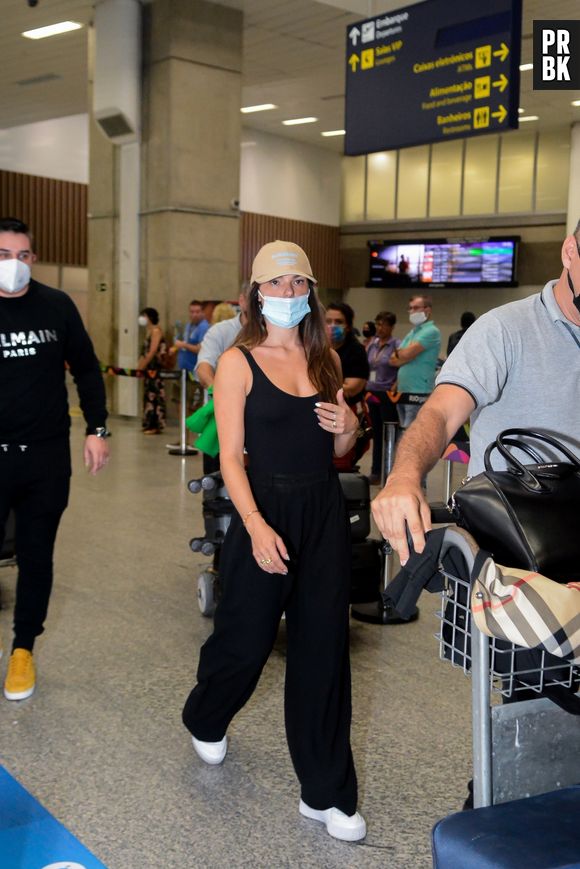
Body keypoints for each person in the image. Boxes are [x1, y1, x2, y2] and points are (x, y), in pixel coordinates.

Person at [182, 240, 366, 842]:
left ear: (309, 291)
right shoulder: (238, 361)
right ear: (256, 293)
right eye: (275, 285)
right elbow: (230, 458)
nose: (288, 295)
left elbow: (339, 450)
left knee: (322, 650)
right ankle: (206, 716)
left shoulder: (325, 360)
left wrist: (351, 427)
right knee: (245, 641)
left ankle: (326, 790)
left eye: (297, 285)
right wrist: (256, 525)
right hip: (263, 506)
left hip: (321, 510)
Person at [372, 225, 580, 567]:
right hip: (514, 545)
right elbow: (441, 412)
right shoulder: (504, 329)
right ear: (569, 251)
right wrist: (404, 477)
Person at [0, 217, 109, 701]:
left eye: (23, 255)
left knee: (36, 555)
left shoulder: (57, 305)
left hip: (45, 457)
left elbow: (86, 369)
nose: (15, 265)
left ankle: (23, 650)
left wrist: (97, 428)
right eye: (4, 255)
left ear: (33, 259)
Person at [195, 287, 248, 474]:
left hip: (260, 428)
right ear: (242, 301)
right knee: (216, 490)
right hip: (222, 425)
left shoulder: (276, 334)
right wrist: (218, 391)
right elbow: (203, 367)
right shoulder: (220, 332)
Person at [325, 302, 370, 472]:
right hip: (321, 414)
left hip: (346, 413)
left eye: (338, 322)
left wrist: (319, 383)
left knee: (341, 463)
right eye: (328, 321)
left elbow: (352, 387)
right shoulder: (315, 348)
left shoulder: (355, 351)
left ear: (348, 326)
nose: (332, 326)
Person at [388, 294, 441, 436]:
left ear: (427, 310)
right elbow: (392, 359)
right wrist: (405, 355)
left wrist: (404, 355)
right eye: (410, 308)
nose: (412, 311)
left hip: (418, 392)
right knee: (403, 433)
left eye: (416, 308)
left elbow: (403, 355)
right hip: (402, 391)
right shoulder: (413, 332)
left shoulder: (431, 331)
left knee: (412, 436)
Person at [365, 311, 400, 484]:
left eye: (383, 324)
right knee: (376, 433)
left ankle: (390, 471)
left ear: (391, 327)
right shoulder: (372, 344)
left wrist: (395, 386)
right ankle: (376, 471)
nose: (379, 328)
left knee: (389, 435)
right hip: (372, 393)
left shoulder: (396, 345)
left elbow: (401, 368)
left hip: (388, 394)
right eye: (377, 324)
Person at [137, 307, 167, 434]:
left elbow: (152, 351)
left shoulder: (156, 331)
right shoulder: (149, 332)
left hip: (154, 369)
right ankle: (148, 423)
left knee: (154, 396)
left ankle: (155, 425)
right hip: (149, 369)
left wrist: (142, 366)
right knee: (149, 396)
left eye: (144, 316)